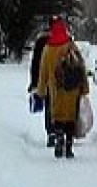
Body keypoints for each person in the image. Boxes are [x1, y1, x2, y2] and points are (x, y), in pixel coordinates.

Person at [36, 17, 89, 159]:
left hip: (56, 89)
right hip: (73, 90)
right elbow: (81, 67)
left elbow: (43, 71)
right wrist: (85, 88)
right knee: (71, 117)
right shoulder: (71, 45)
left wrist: (41, 90)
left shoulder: (48, 48)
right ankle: (69, 146)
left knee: (58, 116)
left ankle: (59, 141)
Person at [27, 18, 54, 146]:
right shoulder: (67, 40)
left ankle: (51, 133)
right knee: (62, 106)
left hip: (46, 79)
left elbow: (35, 63)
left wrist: (34, 82)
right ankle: (62, 131)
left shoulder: (41, 41)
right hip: (63, 81)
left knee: (49, 105)